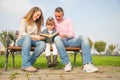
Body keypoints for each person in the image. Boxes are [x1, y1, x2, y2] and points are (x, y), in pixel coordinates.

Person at [54, 7, 98, 73]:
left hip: (71, 41)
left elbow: (72, 34)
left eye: (59, 16)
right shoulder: (54, 22)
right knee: (57, 38)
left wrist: (64, 35)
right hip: (61, 42)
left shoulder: (68, 20)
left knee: (84, 37)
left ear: (63, 14)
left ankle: (87, 64)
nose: (57, 18)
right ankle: (67, 64)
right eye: (56, 16)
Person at [16, 7, 46, 72]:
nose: (38, 17)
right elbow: (22, 33)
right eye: (37, 15)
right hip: (22, 40)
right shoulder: (24, 20)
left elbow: (37, 35)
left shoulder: (37, 24)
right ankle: (26, 65)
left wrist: (41, 37)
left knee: (42, 44)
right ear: (32, 12)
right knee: (27, 37)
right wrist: (33, 36)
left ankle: (28, 64)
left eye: (39, 16)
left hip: (32, 41)